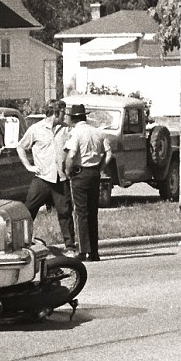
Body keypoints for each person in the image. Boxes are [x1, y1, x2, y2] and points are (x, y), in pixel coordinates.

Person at [16, 99, 76, 254]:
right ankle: (22, 243)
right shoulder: (36, 129)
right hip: (42, 177)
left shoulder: (66, 130)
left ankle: (70, 246)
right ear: (56, 112)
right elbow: (21, 147)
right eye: (63, 112)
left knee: (65, 212)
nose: (65, 115)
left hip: (61, 178)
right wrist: (29, 166)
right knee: (28, 210)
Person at [62, 102, 113, 262]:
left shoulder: (75, 133)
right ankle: (94, 251)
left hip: (80, 173)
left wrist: (68, 171)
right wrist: (99, 168)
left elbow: (71, 155)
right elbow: (109, 154)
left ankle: (84, 250)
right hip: (94, 173)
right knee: (93, 212)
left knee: (81, 213)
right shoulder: (97, 132)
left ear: (74, 119)